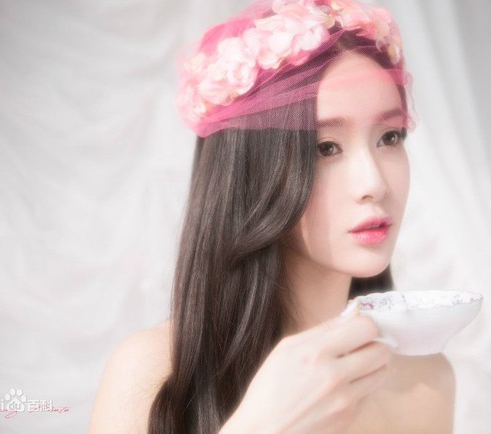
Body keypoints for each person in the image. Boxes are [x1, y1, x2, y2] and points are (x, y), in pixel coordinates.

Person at [88, 0, 455, 433]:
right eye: (326, 148)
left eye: (389, 137)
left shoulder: (423, 381)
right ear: (250, 173)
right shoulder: (153, 373)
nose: (373, 183)